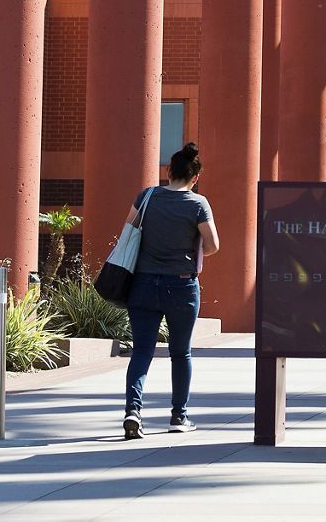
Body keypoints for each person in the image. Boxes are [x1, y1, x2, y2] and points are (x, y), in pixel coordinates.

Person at [122, 143, 220, 440]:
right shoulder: (198, 204)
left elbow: (129, 231)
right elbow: (214, 245)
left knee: (141, 351)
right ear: (196, 176)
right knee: (181, 352)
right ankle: (179, 415)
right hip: (181, 285)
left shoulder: (147, 196)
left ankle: (133, 411)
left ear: (168, 171)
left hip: (143, 284)